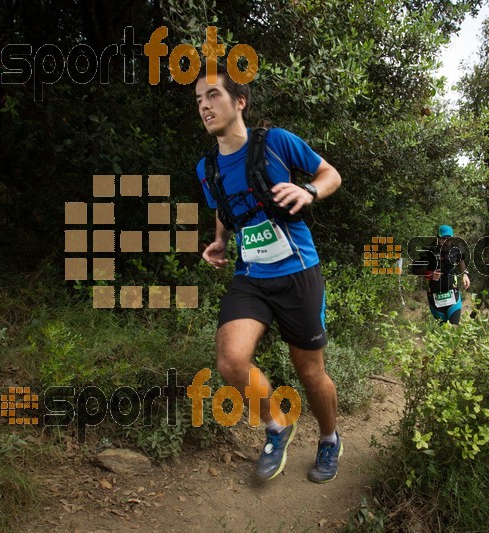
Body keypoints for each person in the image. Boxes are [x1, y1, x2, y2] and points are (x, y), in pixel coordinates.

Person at [194, 63, 343, 483]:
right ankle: (278, 424)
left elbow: (330, 173)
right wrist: (220, 240)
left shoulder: (276, 142)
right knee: (231, 360)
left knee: (310, 372)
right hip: (251, 276)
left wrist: (309, 189)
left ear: (239, 101)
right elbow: (225, 208)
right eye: (199, 100)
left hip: (298, 271)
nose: (205, 106)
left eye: (213, 96)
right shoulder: (207, 169)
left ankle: (330, 438)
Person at [416, 225, 470, 325]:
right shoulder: (428, 251)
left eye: (449, 239)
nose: (446, 241)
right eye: (443, 238)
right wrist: (430, 275)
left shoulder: (454, 249)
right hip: (435, 296)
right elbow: (416, 268)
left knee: (454, 326)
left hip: (452, 292)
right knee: (442, 331)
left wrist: (465, 274)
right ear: (437, 237)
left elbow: (460, 260)